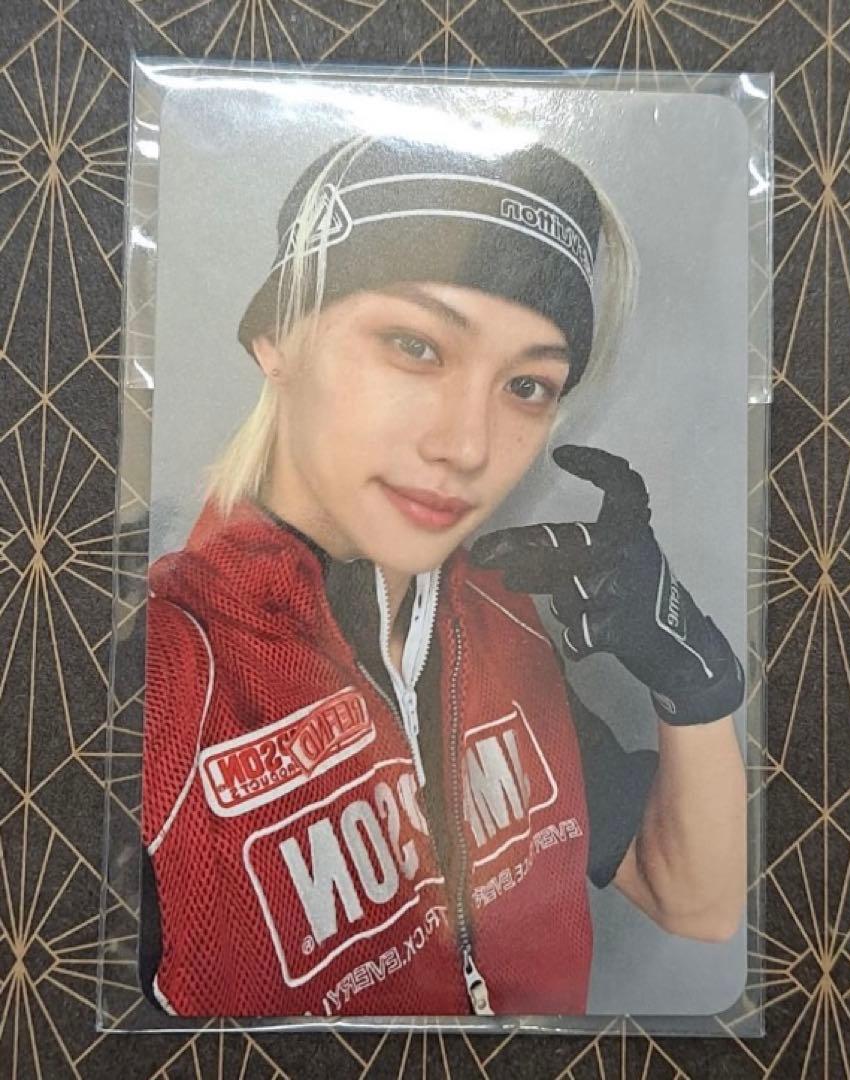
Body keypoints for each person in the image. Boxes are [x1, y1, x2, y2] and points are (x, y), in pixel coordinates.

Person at [140, 134, 746, 1018]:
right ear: (276, 336)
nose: (467, 445)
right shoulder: (150, 671)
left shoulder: (503, 625)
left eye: (528, 386)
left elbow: (694, 901)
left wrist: (693, 679)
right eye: (415, 346)